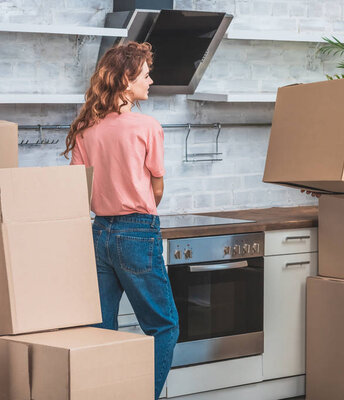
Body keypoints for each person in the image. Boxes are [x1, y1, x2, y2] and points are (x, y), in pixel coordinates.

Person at [63, 41, 179, 399]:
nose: (151, 79)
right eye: (145, 74)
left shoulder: (85, 129)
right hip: (137, 233)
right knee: (164, 326)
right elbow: (157, 189)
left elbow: (77, 189)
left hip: (100, 235)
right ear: (127, 80)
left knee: (101, 329)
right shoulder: (147, 127)